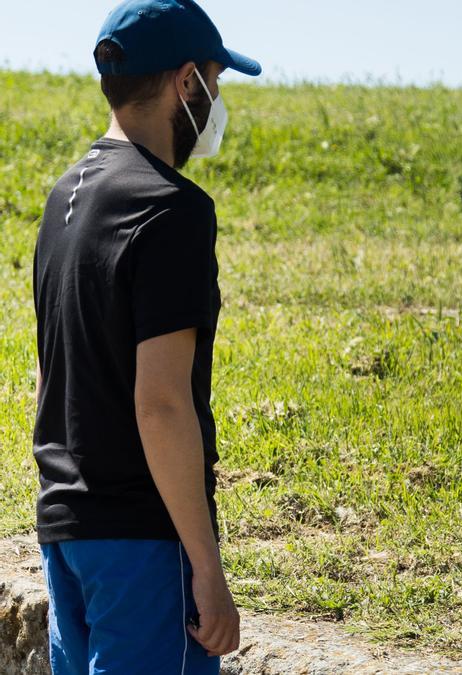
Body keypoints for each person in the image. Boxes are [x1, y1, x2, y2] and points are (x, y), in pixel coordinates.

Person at [30, 1, 261, 672]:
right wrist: (206, 566)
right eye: (214, 83)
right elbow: (160, 404)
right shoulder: (171, 210)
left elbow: (49, 377)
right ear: (186, 82)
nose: (216, 102)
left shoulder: (63, 198)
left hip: (65, 530)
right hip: (142, 542)